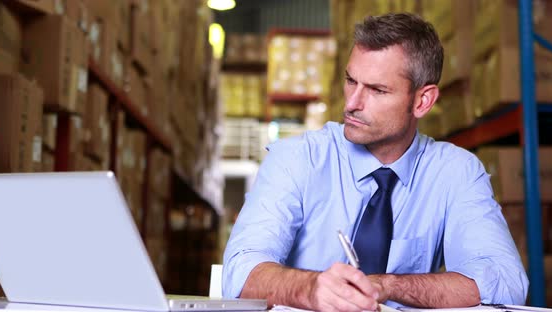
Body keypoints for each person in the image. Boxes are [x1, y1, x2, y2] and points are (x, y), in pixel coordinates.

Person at [223, 13, 528, 311]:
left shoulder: (455, 172)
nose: (352, 104)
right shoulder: (295, 160)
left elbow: (506, 281)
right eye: (350, 81)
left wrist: (388, 286)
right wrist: (309, 289)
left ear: (422, 101)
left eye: (377, 90)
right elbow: (239, 272)